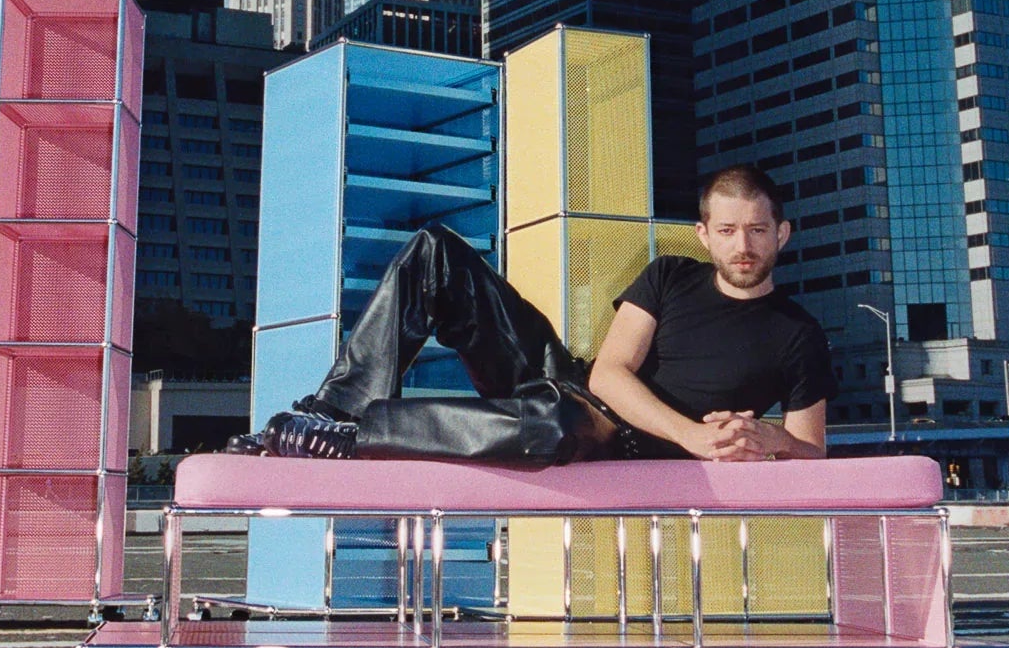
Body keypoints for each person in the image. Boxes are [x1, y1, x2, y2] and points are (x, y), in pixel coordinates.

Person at [228, 164, 834, 464]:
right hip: (573, 383)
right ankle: (321, 420)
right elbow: (610, 374)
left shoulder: (799, 334)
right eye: (727, 230)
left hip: (614, 439)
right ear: (704, 235)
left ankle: (349, 439)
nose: (743, 246)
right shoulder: (671, 275)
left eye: (757, 230)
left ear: (782, 233)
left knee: (552, 426)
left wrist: (767, 436)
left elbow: (813, 451)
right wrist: (696, 437)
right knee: (437, 253)